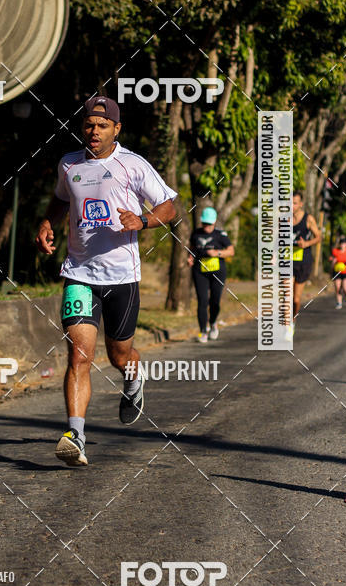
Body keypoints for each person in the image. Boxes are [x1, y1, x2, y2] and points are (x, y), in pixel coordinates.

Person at [35, 95, 177, 467]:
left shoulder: (132, 165)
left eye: (101, 125)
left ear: (116, 129)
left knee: (119, 355)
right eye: (88, 125)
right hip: (79, 273)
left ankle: (133, 378)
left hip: (121, 277)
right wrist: (48, 222)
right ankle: (76, 435)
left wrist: (143, 221)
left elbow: (169, 206)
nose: (93, 131)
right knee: (79, 355)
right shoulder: (69, 164)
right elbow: (60, 200)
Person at [187, 208, 235, 343]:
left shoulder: (221, 235)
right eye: (204, 224)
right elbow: (192, 248)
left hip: (217, 272)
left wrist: (217, 253)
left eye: (209, 224)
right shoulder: (196, 233)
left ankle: (213, 323)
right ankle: (203, 331)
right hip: (200, 271)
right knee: (202, 301)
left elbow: (231, 251)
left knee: (215, 301)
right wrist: (190, 258)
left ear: (214, 222)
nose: (206, 227)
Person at [292, 191, 321, 330]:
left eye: (294, 203)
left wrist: (306, 244)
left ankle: (293, 319)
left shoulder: (308, 219)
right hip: (287, 261)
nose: (291, 206)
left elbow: (318, 237)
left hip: (303, 262)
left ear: (300, 204)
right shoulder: (283, 219)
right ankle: (286, 325)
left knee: (296, 299)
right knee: (287, 295)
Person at [330, 235, 346, 308]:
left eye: (344, 244)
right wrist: (333, 261)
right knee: (338, 287)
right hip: (337, 271)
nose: (342, 245)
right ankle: (339, 303)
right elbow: (331, 259)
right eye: (341, 244)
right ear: (339, 244)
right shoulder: (335, 251)